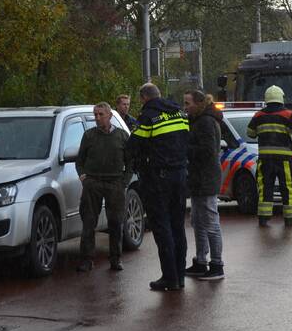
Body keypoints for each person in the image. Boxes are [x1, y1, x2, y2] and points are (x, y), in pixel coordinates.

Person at [126, 83, 190, 291]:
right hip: (180, 175)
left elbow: (133, 146)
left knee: (162, 228)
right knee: (178, 226)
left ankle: (169, 277)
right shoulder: (178, 113)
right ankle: (179, 276)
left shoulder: (148, 117)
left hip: (158, 179)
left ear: (144, 97)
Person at [75, 102, 132, 272]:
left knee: (115, 222)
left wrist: (125, 181)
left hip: (115, 183)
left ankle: (115, 258)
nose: (97, 118)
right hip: (93, 183)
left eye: (101, 114)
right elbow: (80, 160)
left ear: (110, 116)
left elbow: (130, 161)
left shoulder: (122, 136)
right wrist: (83, 176)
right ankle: (87, 259)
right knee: (89, 221)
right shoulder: (89, 135)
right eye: (95, 115)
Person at [247, 85, 292, 228]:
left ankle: (263, 218)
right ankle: (290, 218)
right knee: (288, 188)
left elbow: (250, 133)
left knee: (265, 187)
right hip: (284, 158)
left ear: (267, 99)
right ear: (281, 98)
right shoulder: (288, 114)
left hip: (265, 159)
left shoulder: (258, 115)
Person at [183, 90, 224, 280]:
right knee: (198, 221)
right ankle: (200, 261)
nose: (185, 107)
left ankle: (216, 264)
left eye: (187, 103)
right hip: (200, 178)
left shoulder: (206, 122)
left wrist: (184, 148)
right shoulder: (199, 120)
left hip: (206, 178)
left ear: (199, 103)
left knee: (210, 222)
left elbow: (207, 150)